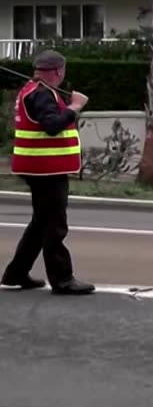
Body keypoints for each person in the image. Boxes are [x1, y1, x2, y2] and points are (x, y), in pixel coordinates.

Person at [1, 50, 94, 295]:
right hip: (45, 169)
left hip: (39, 166)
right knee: (55, 224)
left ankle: (16, 274)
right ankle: (62, 279)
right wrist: (74, 107)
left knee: (41, 223)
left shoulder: (33, 90)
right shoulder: (42, 94)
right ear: (58, 71)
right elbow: (52, 126)